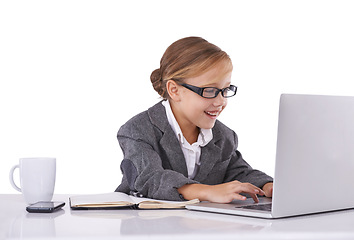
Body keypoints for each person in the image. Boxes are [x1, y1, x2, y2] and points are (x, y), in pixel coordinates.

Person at [115, 36, 273, 203]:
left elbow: (239, 172)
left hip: (199, 224)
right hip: (146, 223)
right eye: (210, 90)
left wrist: (267, 185)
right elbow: (149, 179)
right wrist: (207, 191)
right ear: (174, 90)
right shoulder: (138, 130)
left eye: (225, 90)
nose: (221, 102)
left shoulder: (223, 136)